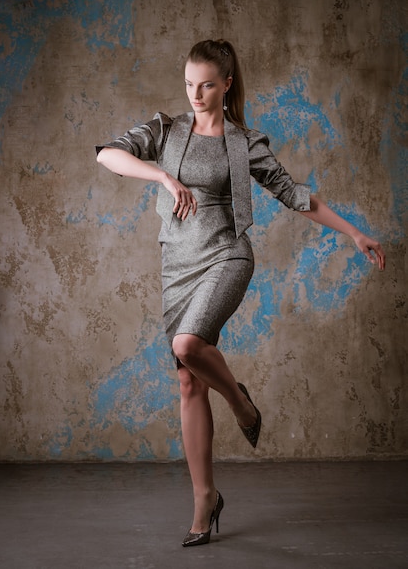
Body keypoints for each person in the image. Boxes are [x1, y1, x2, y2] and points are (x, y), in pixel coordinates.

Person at [96, 39, 385, 547]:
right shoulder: (166, 129)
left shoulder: (243, 142)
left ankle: (241, 404)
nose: (196, 94)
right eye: (189, 84)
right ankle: (204, 498)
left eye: (207, 84)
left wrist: (353, 232)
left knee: (186, 347)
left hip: (227, 255)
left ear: (226, 84)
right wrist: (163, 176)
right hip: (177, 264)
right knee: (188, 383)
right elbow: (109, 156)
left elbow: (297, 195)